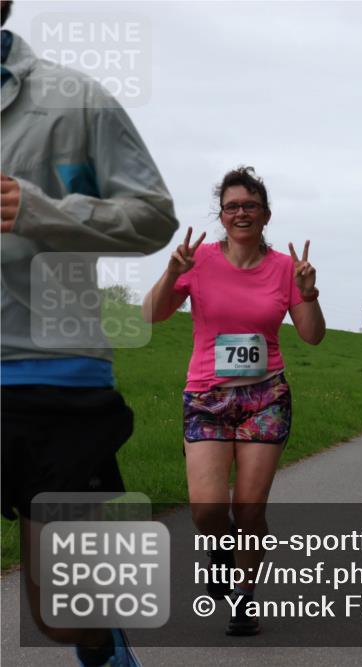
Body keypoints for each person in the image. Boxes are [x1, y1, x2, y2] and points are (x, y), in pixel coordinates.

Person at [1, 2, 179, 665]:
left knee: (63, 612)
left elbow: (153, 216)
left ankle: (105, 645)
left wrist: (41, 209)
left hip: (52, 375)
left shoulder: (75, 100)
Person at [142, 166, 325, 635]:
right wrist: (171, 273)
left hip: (266, 396)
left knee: (248, 509)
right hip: (207, 395)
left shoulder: (287, 268)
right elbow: (153, 315)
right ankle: (221, 550)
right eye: (232, 206)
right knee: (206, 509)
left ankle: (244, 598)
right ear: (220, 216)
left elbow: (312, 336)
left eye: (250, 205)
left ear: (266, 215)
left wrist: (309, 295)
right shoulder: (197, 261)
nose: (241, 212)